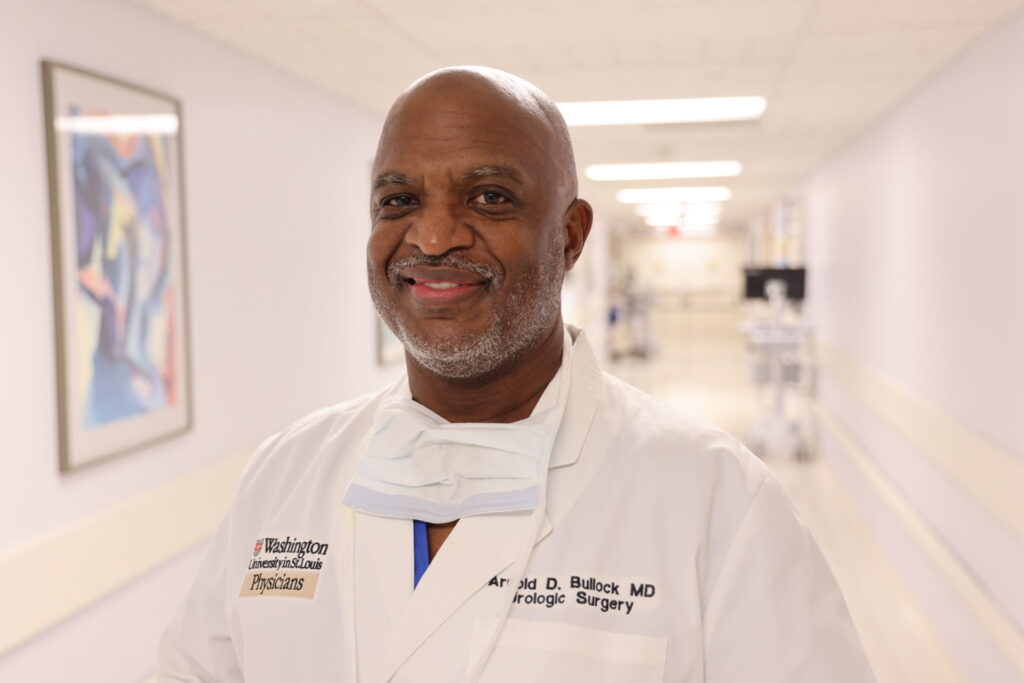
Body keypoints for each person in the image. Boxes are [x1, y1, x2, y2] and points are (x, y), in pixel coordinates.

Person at [159, 67, 875, 683]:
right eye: (398, 200)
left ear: (570, 236)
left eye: (490, 196)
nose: (433, 237)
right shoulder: (286, 475)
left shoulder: (718, 501)